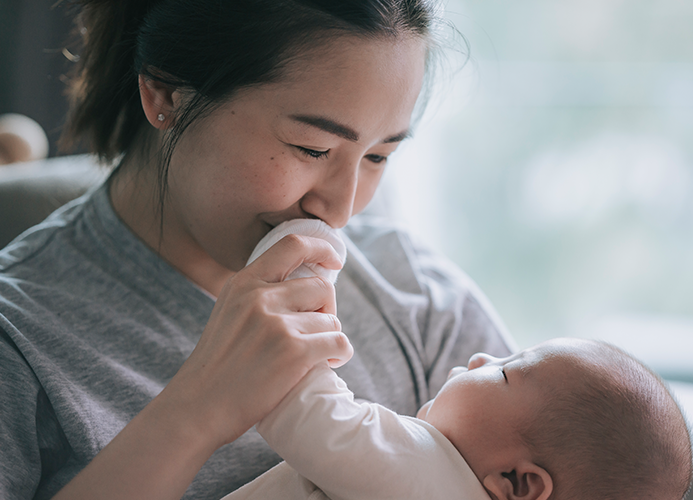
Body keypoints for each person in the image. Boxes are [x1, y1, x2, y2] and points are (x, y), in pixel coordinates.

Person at [0, 1, 515, 499]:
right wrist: (197, 410)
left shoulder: (418, 298)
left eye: (379, 156)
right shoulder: (20, 339)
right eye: (312, 148)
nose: (340, 209)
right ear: (166, 96)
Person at [221, 337, 693, 500]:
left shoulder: (424, 474)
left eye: (505, 371)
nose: (481, 355)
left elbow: (303, 411)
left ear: (517, 482)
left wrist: (296, 297)